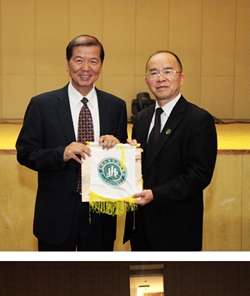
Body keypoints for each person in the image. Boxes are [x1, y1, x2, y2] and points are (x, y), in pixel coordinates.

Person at [15, 34, 127, 251]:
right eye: (79, 60)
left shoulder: (116, 106)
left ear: (101, 66)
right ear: (67, 64)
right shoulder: (42, 105)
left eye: (93, 61)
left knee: (98, 272)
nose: (86, 68)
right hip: (56, 214)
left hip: (100, 216)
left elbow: (122, 162)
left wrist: (119, 147)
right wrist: (61, 154)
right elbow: (25, 152)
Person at [124, 50, 217, 251]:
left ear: (181, 78)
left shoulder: (198, 120)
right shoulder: (141, 118)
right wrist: (128, 157)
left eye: (168, 71)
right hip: (141, 228)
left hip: (177, 228)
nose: (161, 78)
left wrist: (155, 195)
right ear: (147, 81)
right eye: (154, 73)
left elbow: (199, 175)